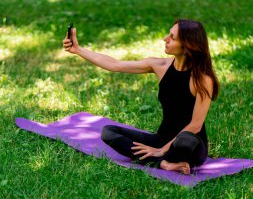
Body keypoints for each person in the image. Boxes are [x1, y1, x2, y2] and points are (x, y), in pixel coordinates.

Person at [63, 19, 220, 175]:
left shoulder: (202, 80)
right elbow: (115, 65)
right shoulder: (161, 66)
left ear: (187, 46)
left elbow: (195, 125)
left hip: (191, 147)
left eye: (172, 37)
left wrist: (160, 151)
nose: (165, 38)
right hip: (162, 139)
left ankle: (162, 158)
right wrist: (78, 50)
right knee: (108, 132)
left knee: (185, 140)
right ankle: (165, 164)